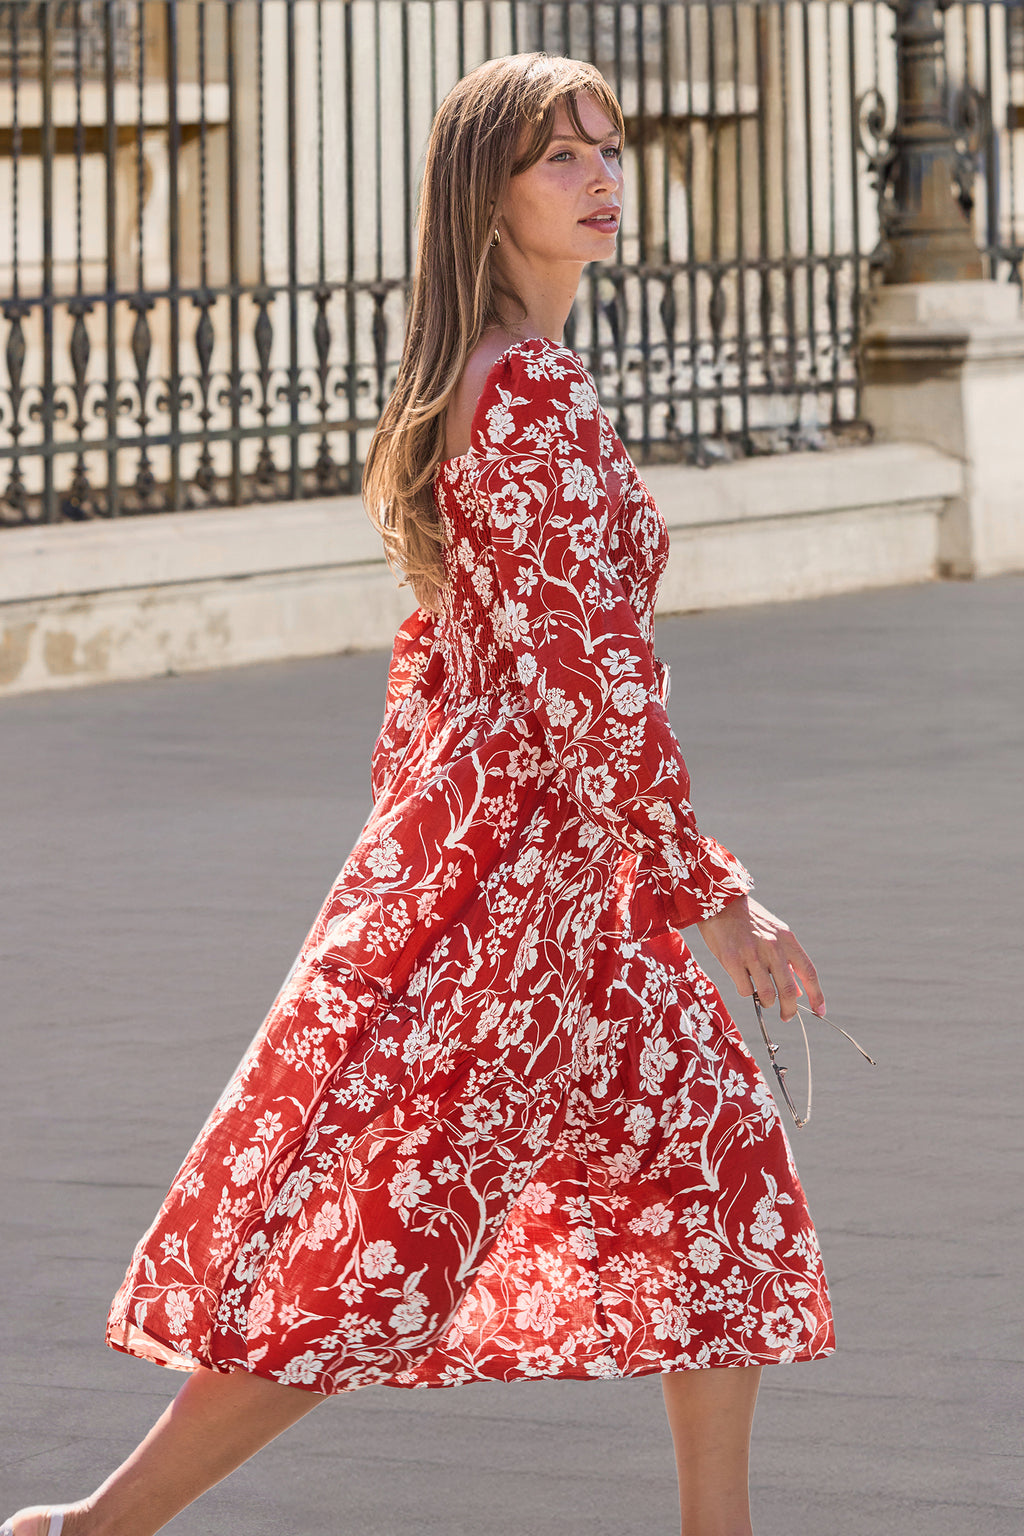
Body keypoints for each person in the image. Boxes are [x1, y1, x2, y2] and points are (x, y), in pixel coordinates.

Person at [3, 53, 835, 1536]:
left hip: (557, 884)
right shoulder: (522, 400)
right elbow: (596, 687)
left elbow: (458, 665)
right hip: (528, 900)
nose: (601, 179)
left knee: (718, 1176)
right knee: (382, 1242)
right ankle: (99, 1529)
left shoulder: (512, 383)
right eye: (557, 159)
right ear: (489, 196)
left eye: (608, 148)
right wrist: (715, 895)